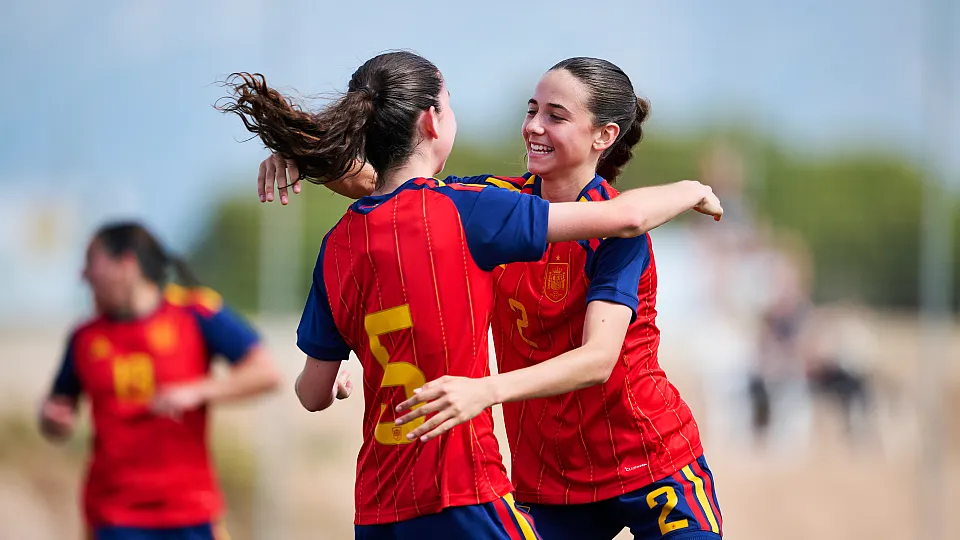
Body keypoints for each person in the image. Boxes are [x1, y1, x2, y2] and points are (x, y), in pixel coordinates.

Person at [219, 51, 722, 540]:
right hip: (551, 481)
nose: (534, 126)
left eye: (556, 115)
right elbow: (393, 190)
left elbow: (597, 360)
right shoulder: (489, 203)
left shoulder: (618, 233)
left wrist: (484, 390)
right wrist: (302, 153)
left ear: (604, 136)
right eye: (531, 110)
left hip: (648, 461)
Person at [38, 222, 282, 540]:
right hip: (113, 516)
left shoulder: (194, 313)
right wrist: (51, 419)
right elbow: (58, 408)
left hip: (190, 511)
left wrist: (197, 391)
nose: (83, 276)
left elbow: (266, 372)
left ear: (126, 264)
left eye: (91, 262)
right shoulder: (84, 338)